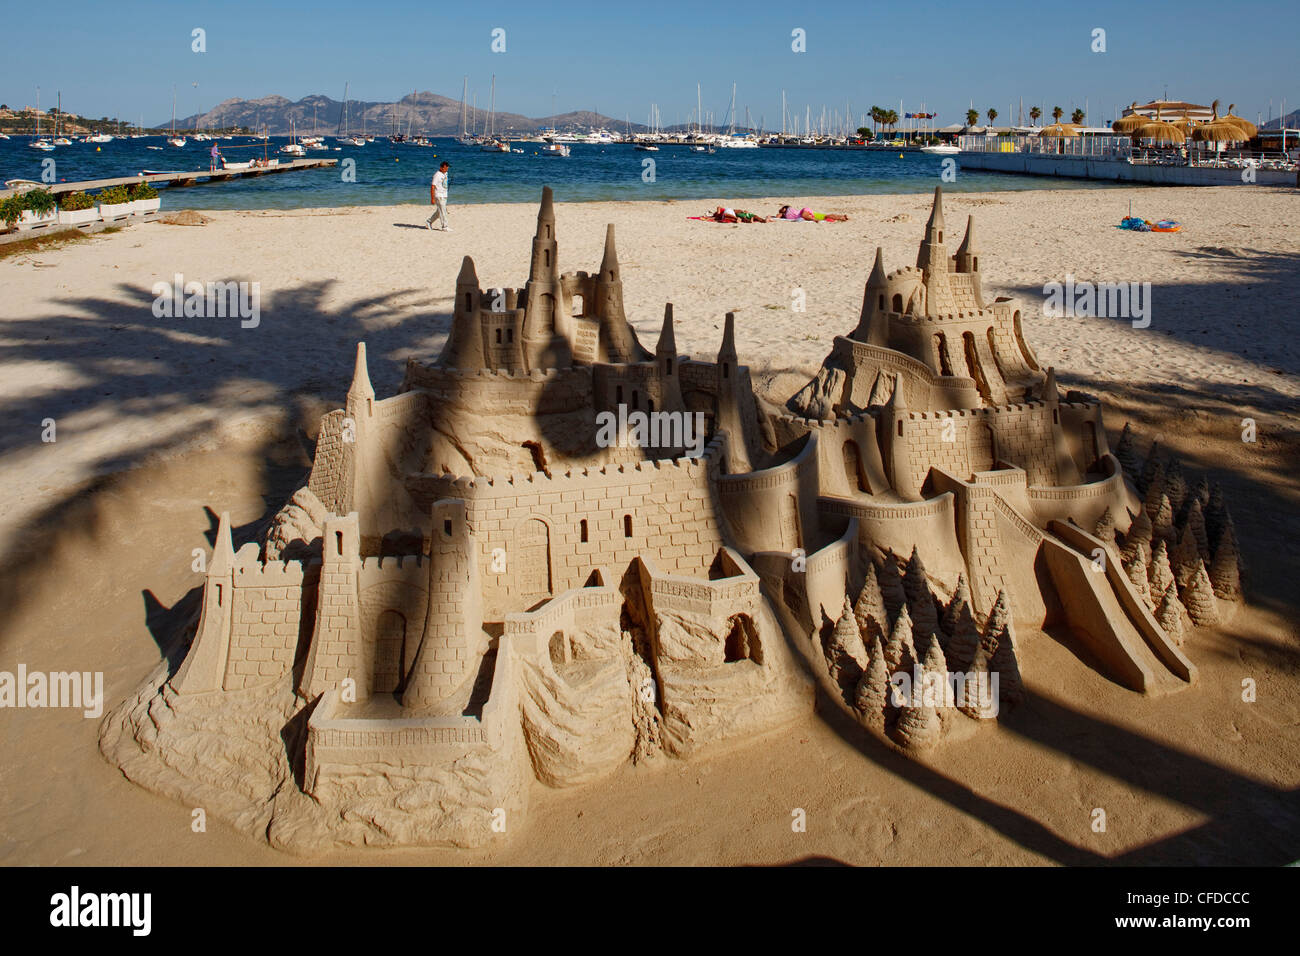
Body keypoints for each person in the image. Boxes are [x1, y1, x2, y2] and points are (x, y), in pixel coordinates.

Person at [427, 161, 450, 232]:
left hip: (444, 195)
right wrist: (432, 198)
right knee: (443, 212)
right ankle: (444, 226)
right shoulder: (437, 175)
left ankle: (429, 222)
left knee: (439, 212)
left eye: (447, 168)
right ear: (441, 167)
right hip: (439, 196)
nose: (447, 170)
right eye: (445, 168)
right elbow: (432, 186)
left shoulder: (445, 173)